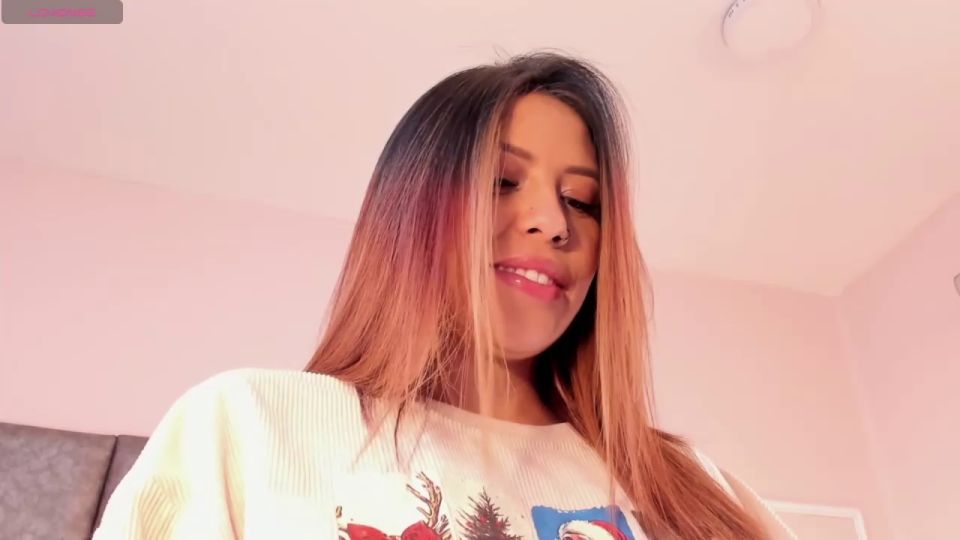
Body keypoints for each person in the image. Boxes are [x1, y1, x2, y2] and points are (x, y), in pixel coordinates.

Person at [93, 51, 796, 540]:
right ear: (410, 211)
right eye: (502, 181)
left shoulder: (695, 486)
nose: (553, 222)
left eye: (583, 201)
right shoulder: (246, 427)